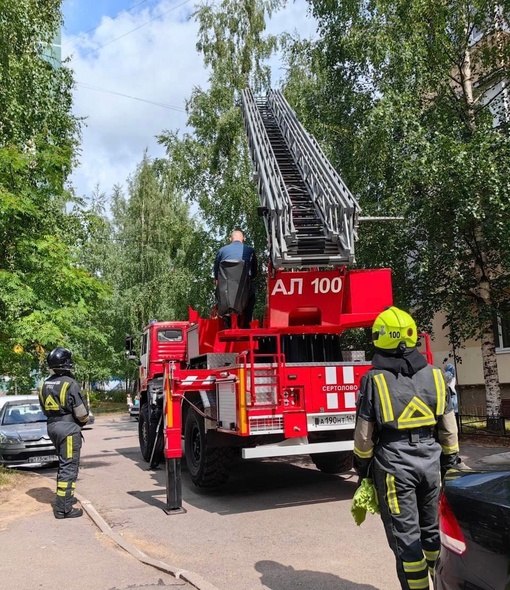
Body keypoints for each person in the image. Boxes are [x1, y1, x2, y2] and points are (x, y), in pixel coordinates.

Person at [353, 307, 459, 590]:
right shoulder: (437, 376)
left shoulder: (373, 380)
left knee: (406, 541)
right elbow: (449, 429)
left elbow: (364, 437)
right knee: (432, 535)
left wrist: (362, 469)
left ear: (381, 338)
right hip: (431, 465)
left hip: (394, 468)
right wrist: (448, 463)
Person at [39, 347, 89, 519]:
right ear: (67, 364)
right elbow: (82, 414)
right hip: (68, 430)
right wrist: (82, 423)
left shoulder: (44, 384)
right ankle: (64, 509)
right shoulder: (70, 383)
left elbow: (44, 409)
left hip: (52, 426)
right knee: (69, 467)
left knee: (63, 465)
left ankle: (65, 499)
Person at [213, 230, 258, 328]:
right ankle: (246, 324)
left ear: (230, 239)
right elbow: (254, 273)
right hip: (244, 293)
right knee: (251, 294)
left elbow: (216, 273)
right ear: (243, 239)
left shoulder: (221, 251)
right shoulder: (249, 250)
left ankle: (227, 324)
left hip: (226, 293)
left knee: (221, 294)